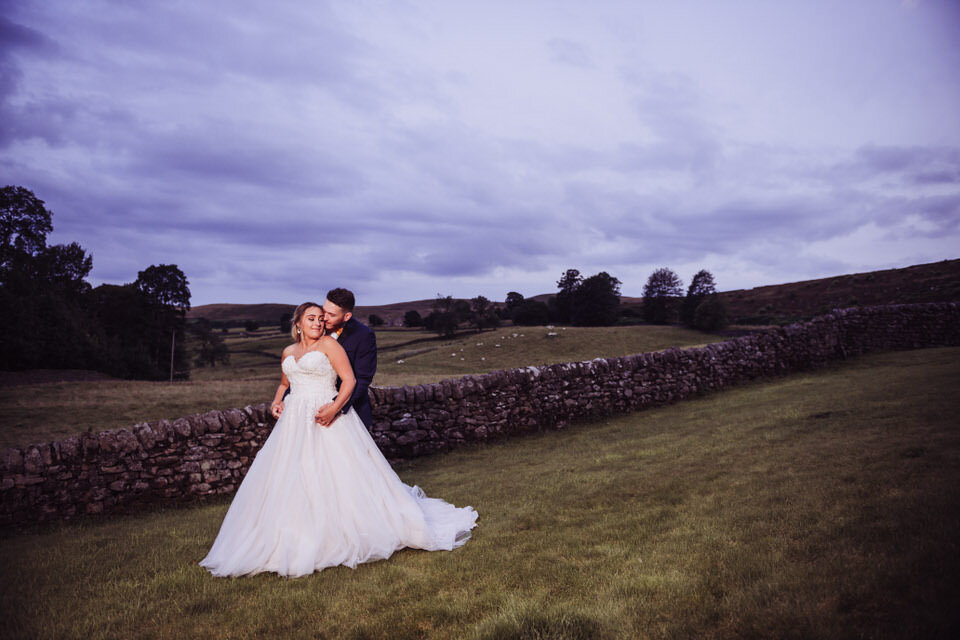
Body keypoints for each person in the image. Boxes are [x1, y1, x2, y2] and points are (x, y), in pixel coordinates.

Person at [199, 301, 478, 578]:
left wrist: (334, 408)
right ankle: (290, 533)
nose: (318, 323)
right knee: (291, 475)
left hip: (328, 414)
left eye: (321, 318)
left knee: (337, 473)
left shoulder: (330, 346)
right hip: (294, 421)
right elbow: (285, 384)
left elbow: (350, 381)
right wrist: (276, 402)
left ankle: (347, 532)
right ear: (298, 323)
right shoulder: (289, 351)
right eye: (311, 319)